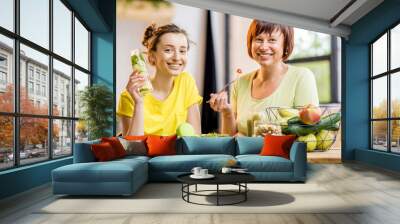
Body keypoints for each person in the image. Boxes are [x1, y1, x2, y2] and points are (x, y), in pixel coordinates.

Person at [209, 20, 319, 136]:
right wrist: (227, 112)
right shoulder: (240, 83)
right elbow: (229, 139)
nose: (263, 47)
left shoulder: (301, 77)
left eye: (272, 40)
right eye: (258, 39)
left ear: (285, 44)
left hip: (282, 154)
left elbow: (307, 132)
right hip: (244, 154)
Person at [117, 24, 202, 136]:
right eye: (168, 50)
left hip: (179, 154)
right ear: (152, 56)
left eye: (182, 51)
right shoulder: (129, 96)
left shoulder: (186, 82)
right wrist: (139, 103)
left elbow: (194, 138)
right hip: (143, 154)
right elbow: (132, 148)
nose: (177, 57)